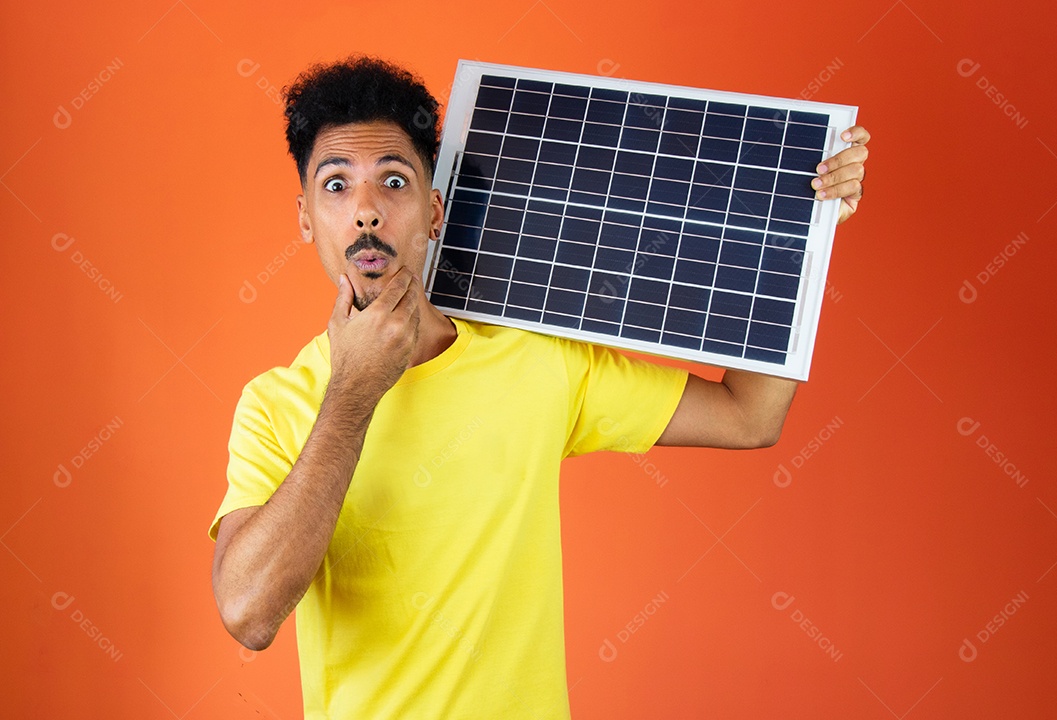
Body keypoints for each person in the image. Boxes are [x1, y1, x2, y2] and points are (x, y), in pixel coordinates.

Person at [208, 55, 869, 719]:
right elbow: (249, 613)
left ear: (434, 210)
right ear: (304, 219)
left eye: (393, 181)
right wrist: (352, 392)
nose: (368, 213)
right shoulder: (275, 404)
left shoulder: (533, 357)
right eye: (336, 187)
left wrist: (802, 236)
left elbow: (748, 415)